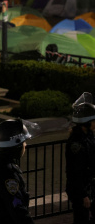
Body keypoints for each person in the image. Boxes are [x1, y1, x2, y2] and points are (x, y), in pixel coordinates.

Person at [0, 119, 39, 224]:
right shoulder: (7, 173)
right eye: (24, 142)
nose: (25, 145)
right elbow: (18, 210)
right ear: (16, 146)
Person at [65, 92, 95, 224]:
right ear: (86, 122)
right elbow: (75, 172)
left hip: (89, 186)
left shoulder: (88, 136)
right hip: (80, 190)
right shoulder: (76, 144)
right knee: (81, 218)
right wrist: (83, 195)